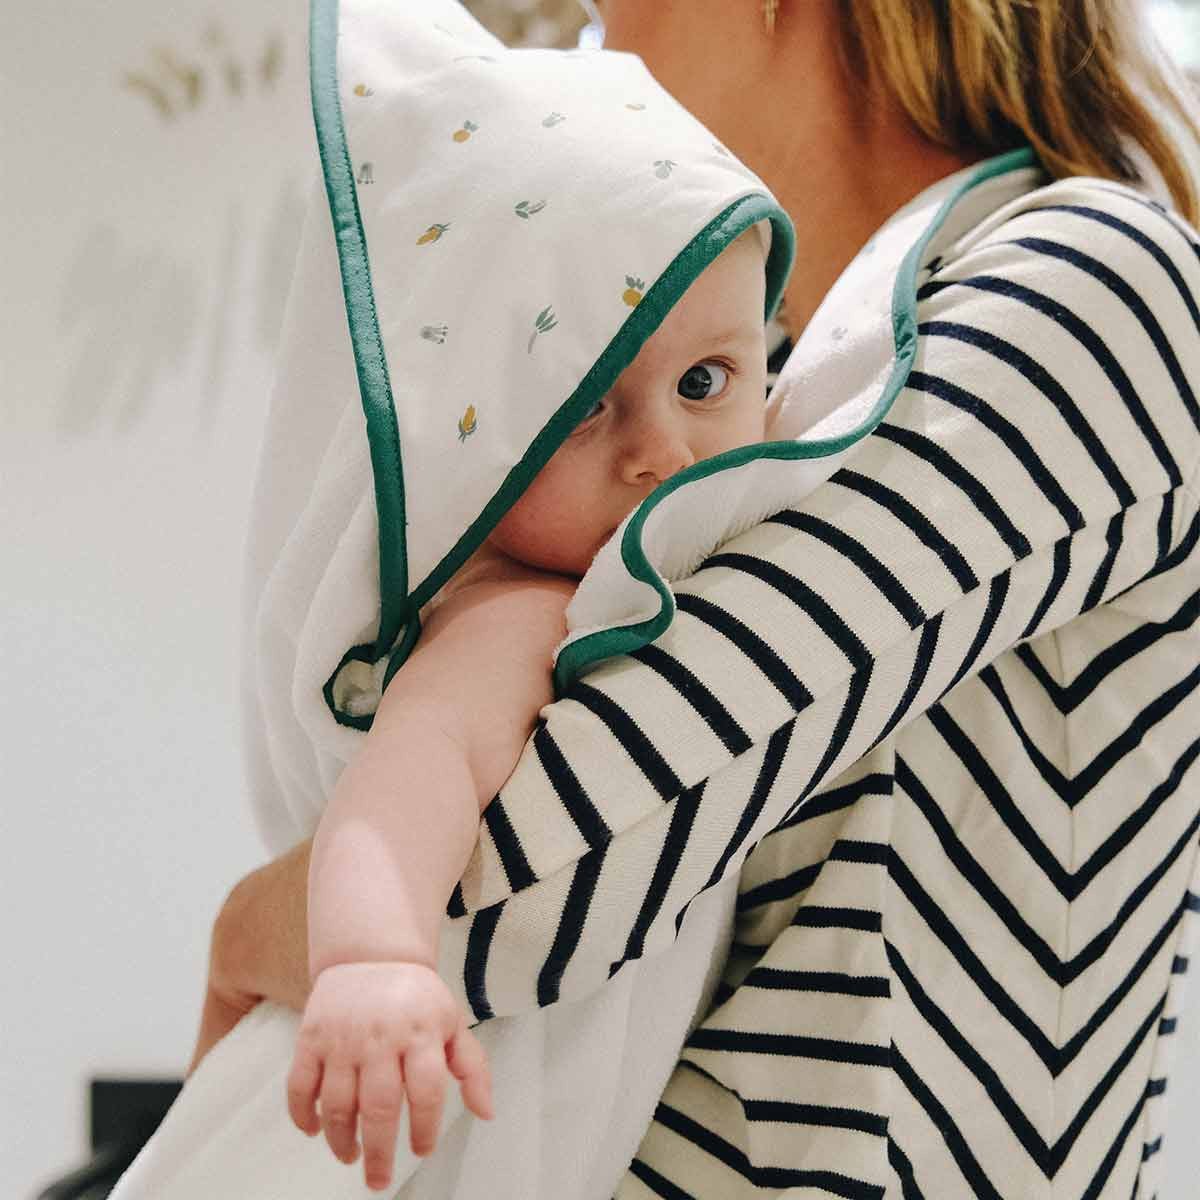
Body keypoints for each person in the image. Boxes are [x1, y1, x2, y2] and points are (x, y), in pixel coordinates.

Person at [189, 2, 1200, 1197]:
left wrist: (257, 929)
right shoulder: (791, 386)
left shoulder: (1094, 282)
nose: (590, 42)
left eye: (612, 5)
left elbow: (585, 844)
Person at [285, 223, 774, 1192]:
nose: (662, 452)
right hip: (423, 1092)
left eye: (705, 382)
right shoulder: (518, 609)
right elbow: (421, 760)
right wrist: (372, 960)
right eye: (583, 404)